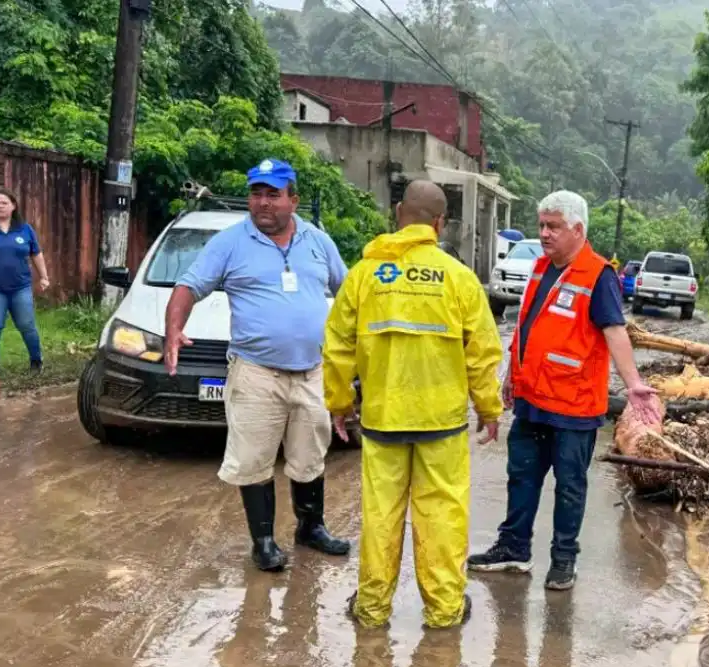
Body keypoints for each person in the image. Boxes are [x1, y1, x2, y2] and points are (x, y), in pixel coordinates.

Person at [322, 180, 503, 629]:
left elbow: (338, 345)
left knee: (381, 516)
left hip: (383, 419)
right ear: (440, 224)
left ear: (398, 213)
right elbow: (482, 350)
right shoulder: (458, 278)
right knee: (442, 517)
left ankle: (371, 609)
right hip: (441, 423)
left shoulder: (364, 274)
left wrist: (340, 403)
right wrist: (489, 408)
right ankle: (444, 613)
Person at [164, 158, 351, 572]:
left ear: (293, 199)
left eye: (272, 194)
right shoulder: (229, 243)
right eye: (256, 194)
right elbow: (187, 287)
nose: (263, 203)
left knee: (309, 455)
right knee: (254, 459)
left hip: (312, 371)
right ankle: (264, 541)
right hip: (255, 372)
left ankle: (310, 527)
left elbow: (349, 291)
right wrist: (173, 330)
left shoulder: (318, 242)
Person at [468, 190, 660, 591]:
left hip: (574, 409)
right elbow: (528, 328)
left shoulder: (598, 275)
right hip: (533, 402)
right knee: (521, 477)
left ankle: (563, 560)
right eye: (542, 225)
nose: (544, 234)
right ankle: (514, 549)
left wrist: (634, 384)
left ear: (578, 229)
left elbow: (615, 331)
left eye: (553, 226)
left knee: (570, 487)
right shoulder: (540, 268)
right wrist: (510, 377)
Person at [0, 188, 50, 373]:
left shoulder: (25, 229)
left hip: (20, 286)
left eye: (4, 203)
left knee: (27, 324)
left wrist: (43, 277)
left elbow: (36, 253)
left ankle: (36, 361)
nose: (0, 206)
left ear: (13, 206)